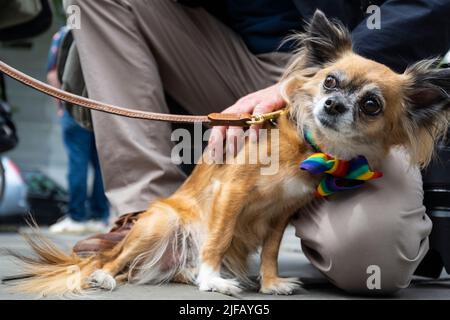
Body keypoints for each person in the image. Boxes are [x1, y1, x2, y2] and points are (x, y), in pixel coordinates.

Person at [67, 0, 450, 293]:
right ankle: (152, 222)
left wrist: (330, 80)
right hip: (215, 57)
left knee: (375, 265)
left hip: (348, 66)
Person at [46, 26, 110, 234]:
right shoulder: (107, 30)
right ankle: (100, 216)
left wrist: (61, 106)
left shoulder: (64, 33)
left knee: (77, 162)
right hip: (103, 109)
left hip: (74, 107)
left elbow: (54, 74)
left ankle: (77, 217)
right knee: (102, 165)